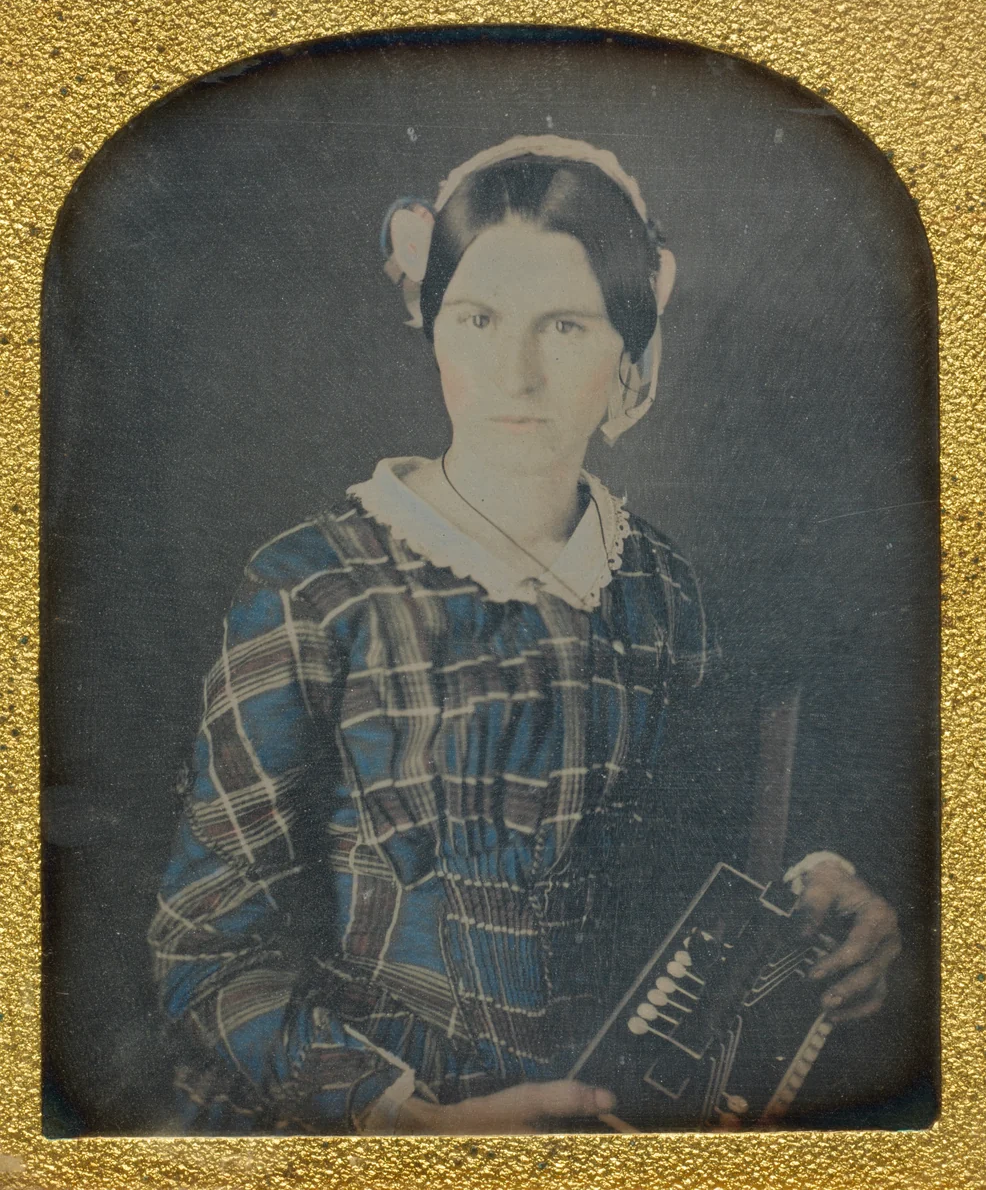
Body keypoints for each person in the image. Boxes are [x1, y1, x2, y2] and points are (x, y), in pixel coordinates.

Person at [147, 136, 901, 1135]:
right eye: (478, 319)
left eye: (565, 325)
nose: (515, 372)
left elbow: (707, 878)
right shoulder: (314, 589)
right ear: (432, 327)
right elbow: (204, 957)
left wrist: (817, 891)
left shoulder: (661, 589)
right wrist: (414, 1124)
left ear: (627, 352)